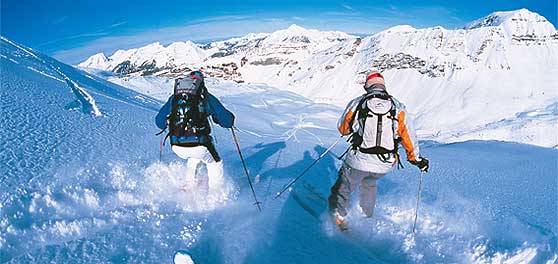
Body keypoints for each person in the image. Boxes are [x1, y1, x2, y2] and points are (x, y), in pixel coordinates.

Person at [328, 71, 429, 230]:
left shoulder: (358, 102)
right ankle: (365, 217)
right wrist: (417, 160)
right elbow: (408, 136)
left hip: (358, 160)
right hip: (384, 164)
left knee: (343, 187)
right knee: (369, 184)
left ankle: (339, 216)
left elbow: (343, 129)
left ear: (367, 86)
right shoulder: (398, 106)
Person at [155, 71, 235, 193]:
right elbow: (226, 121)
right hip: (199, 143)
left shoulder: (174, 99)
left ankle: (189, 187)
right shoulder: (205, 97)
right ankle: (216, 194)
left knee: (194, 158)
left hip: (176, 145)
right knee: (215, 162)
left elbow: (159, 122)